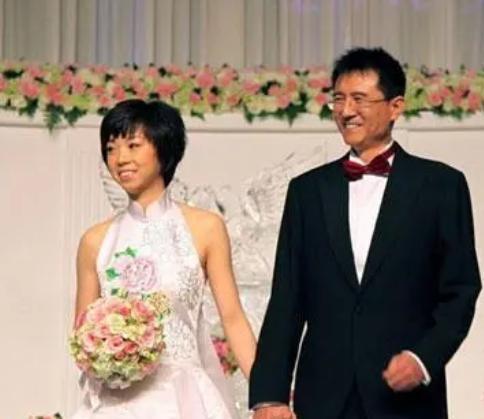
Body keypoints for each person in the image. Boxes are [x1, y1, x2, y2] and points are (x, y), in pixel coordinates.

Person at [249, 47, 481, 419]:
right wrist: (269, 395)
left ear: (395, 106)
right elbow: (287, 299)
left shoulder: (441, 185)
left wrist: (424, 358)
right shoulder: (307, 191)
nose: (346, 111)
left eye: (359, 99)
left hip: (406, 399)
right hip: (323, 396)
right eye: (338, 99)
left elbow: (461, 289)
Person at [72, 99, 256, 419]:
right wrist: (108, 353)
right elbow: (81, 333)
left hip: (184, 397)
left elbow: (233, 318)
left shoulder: (206, 228)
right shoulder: (95, 241)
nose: (120, 159)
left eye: (133, 145)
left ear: (163, 149)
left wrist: (270, 395)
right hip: (116, 404)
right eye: (111, 149)